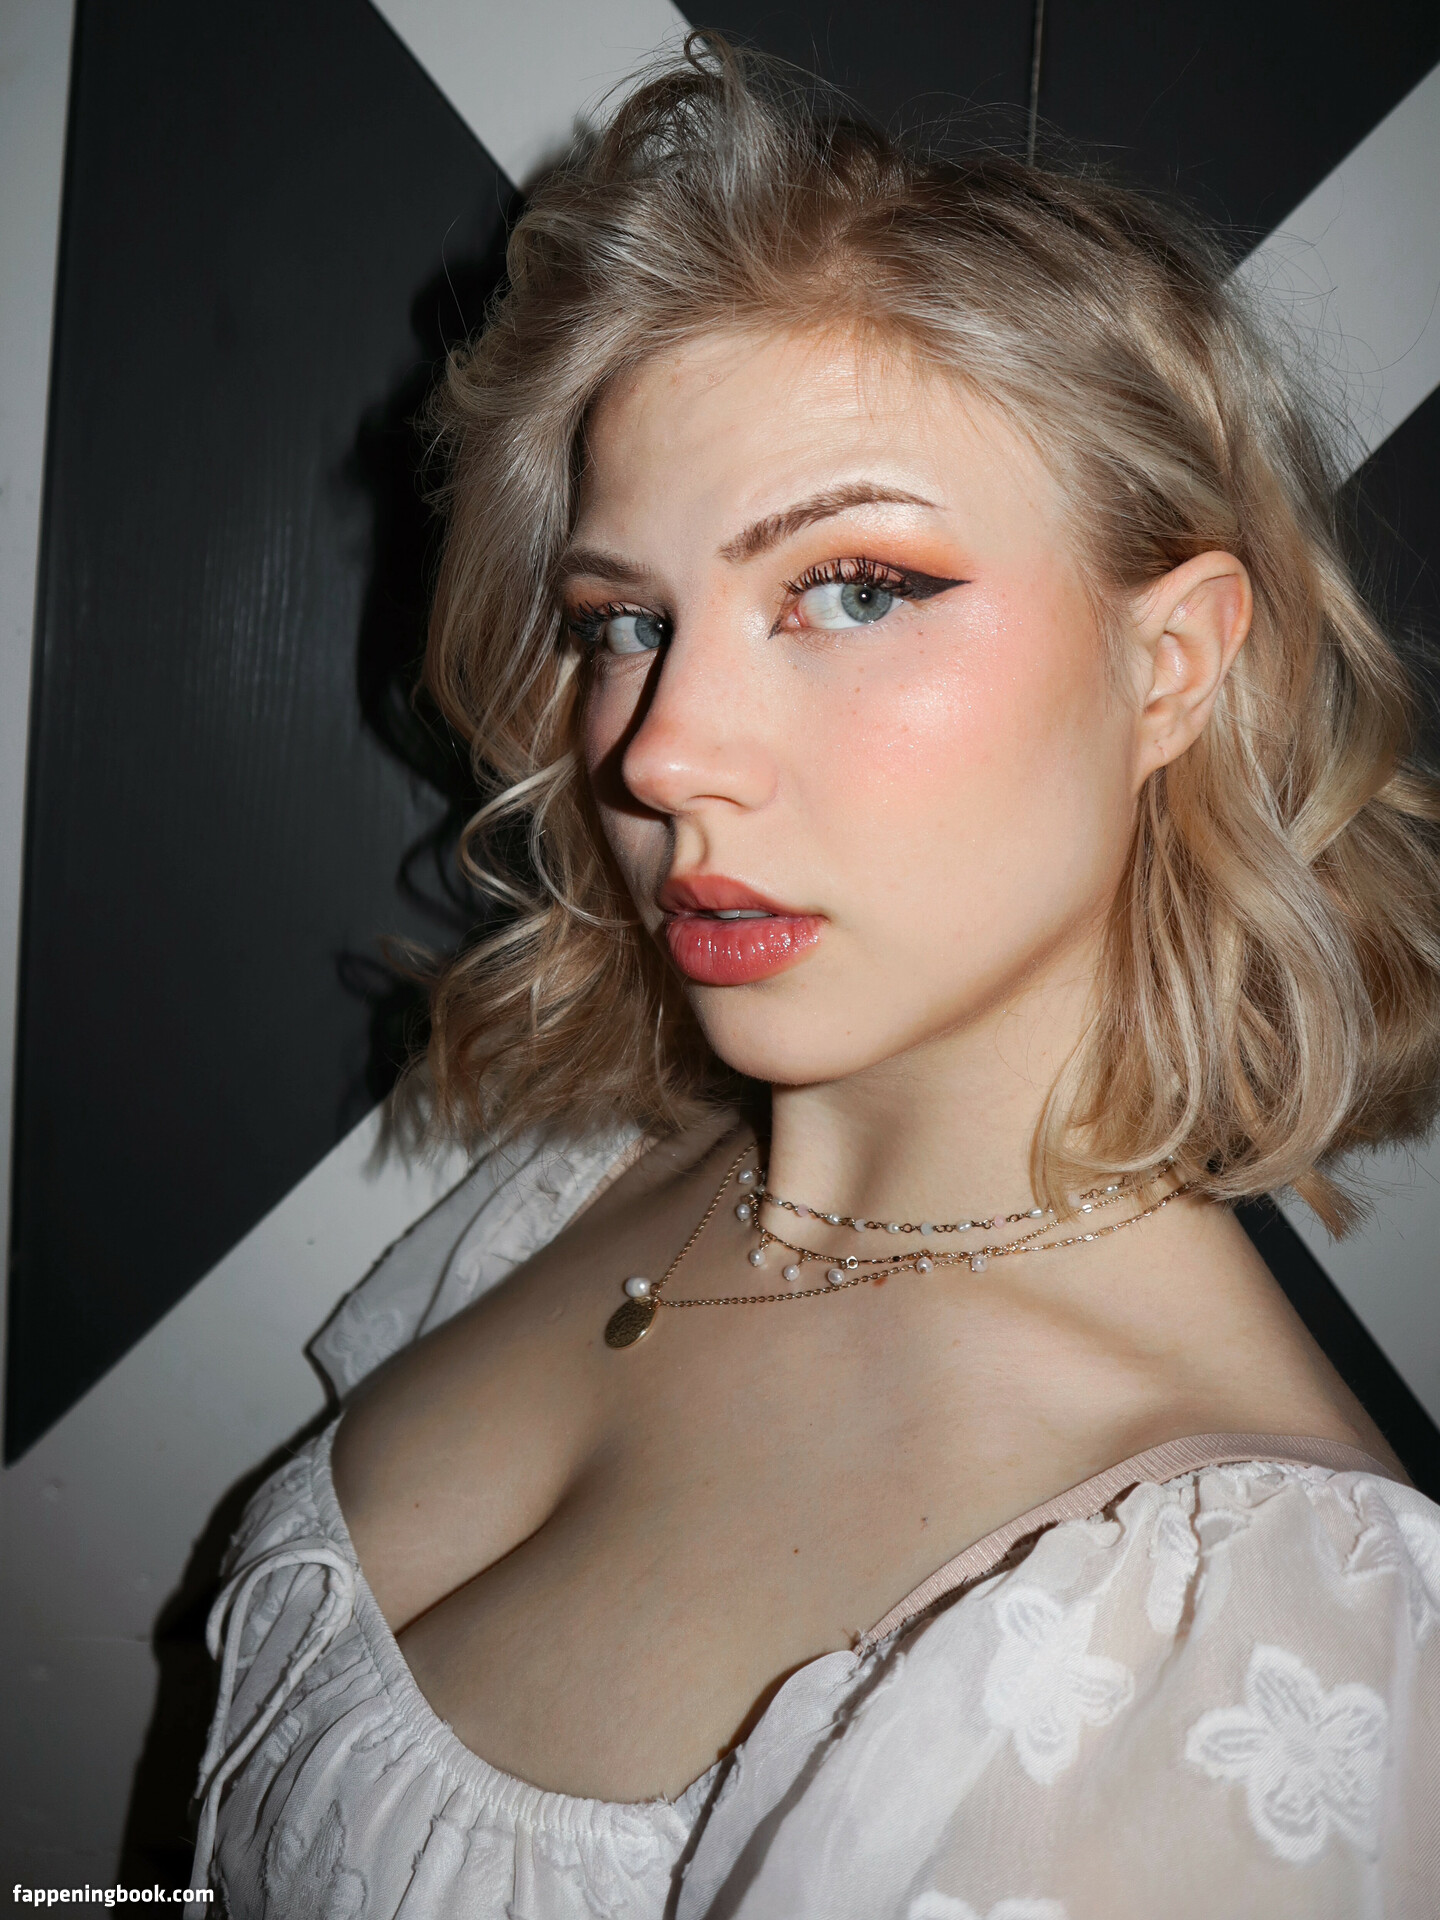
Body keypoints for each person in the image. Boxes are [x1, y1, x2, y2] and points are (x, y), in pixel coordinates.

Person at [187, 37, 1440, 1919]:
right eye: (626, 620)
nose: (662, 751)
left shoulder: (1233, 1635)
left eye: (856, 587)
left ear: (1170, 665)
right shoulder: (592, 1178)